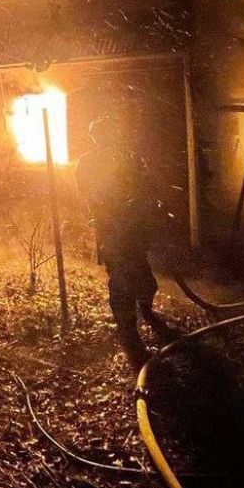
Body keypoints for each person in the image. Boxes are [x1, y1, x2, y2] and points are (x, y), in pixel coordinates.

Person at [76, 115, 174, 369]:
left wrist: (149, 203)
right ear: (95, 137)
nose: (109, 139)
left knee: (146, 281)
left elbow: (147, 185)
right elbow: (93, 194)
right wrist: (117, 210)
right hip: (112, 233)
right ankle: (130, 338)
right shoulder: (88, 163)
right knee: (122, 284)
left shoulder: (127, 158)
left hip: (133, 232)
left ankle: (147, 312)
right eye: (104, 135)